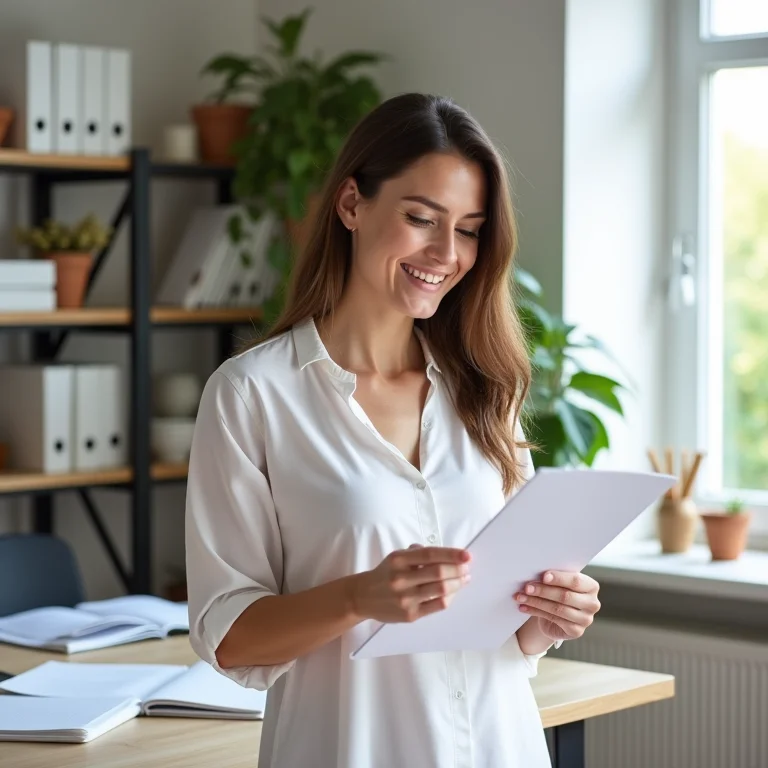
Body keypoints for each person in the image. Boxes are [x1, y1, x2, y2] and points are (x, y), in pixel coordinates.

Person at [185, 92, 601, 768]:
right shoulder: (252, 395)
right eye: (420, 219)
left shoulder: (485, 391)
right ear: (351, 205)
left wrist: (548, 616)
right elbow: (229, 638)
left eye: (468, 229)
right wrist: (358, 596)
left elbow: (505, 627)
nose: (446, 252)